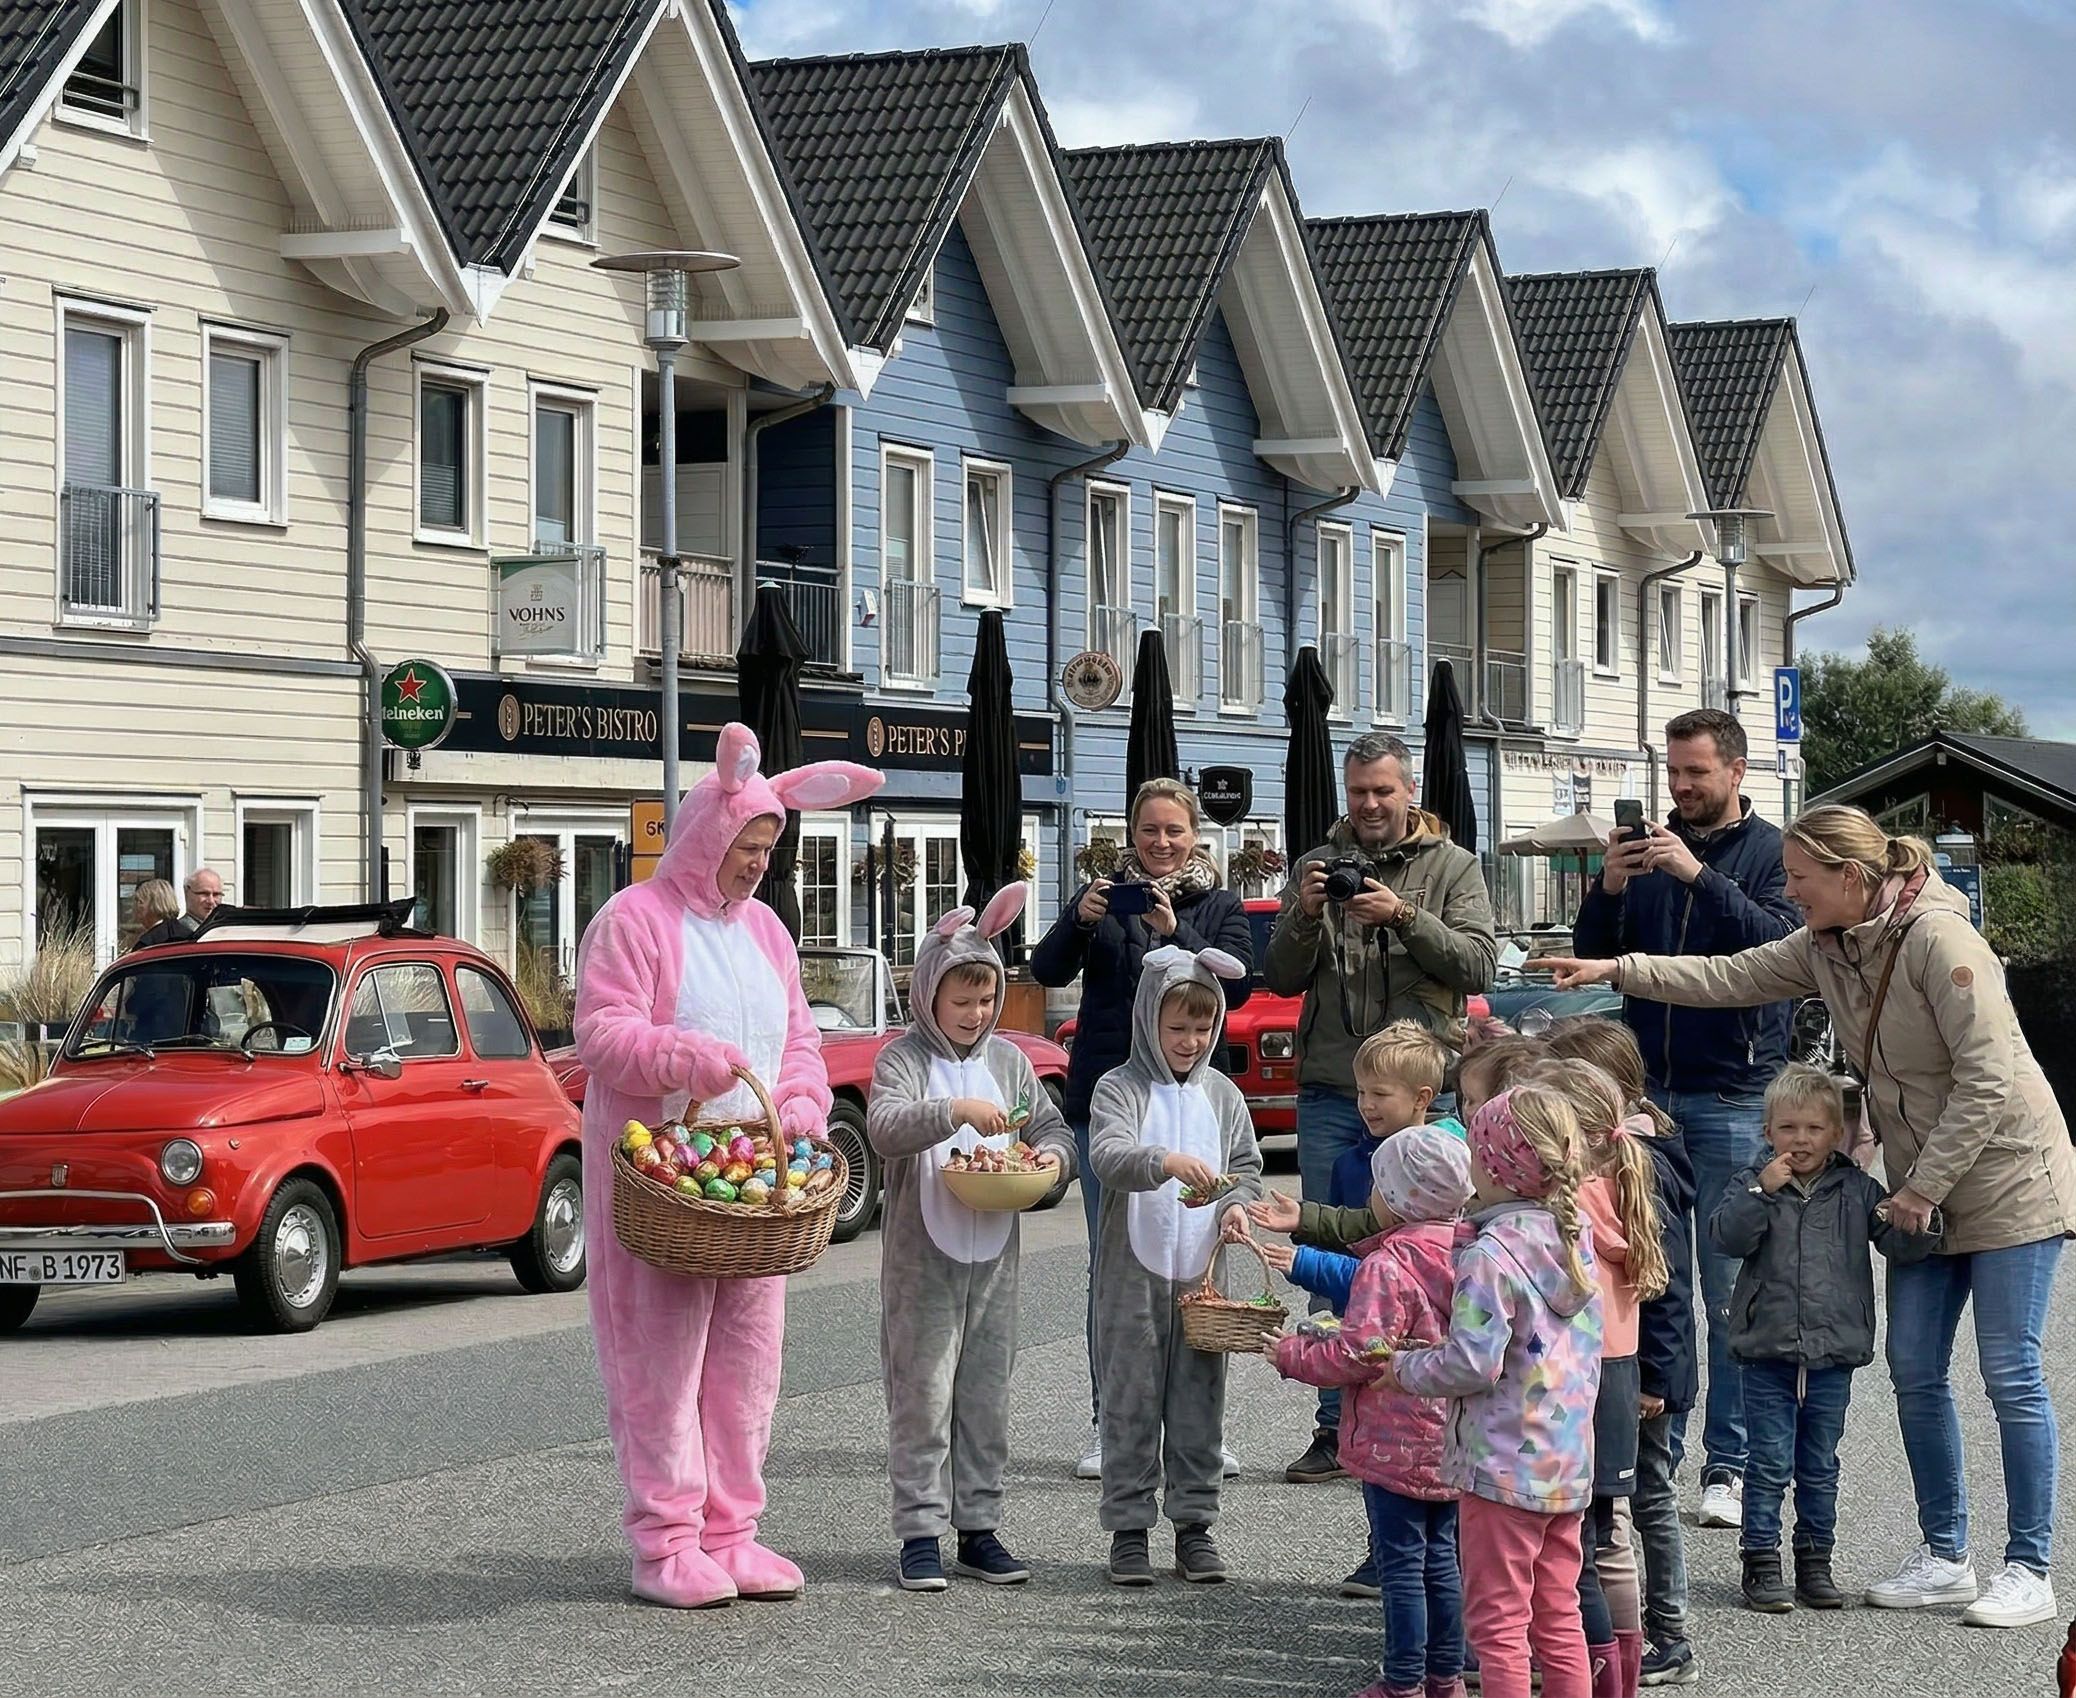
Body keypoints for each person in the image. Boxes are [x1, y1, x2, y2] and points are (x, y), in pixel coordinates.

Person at [1546, 803, 2076, 1629]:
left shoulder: (1941, 942)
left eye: (1798, 878)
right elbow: (1731, 976)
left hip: (2008, 1181)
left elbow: (1990, 1082)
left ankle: (2029, 1566)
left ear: (1851, 878)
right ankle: (1946, 1555)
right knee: (1914, 1371)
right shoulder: (1828, 945)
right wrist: (1616, 970)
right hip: (1921, 1187)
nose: (1787, 893)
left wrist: (1921, 1187)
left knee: (2009, 1375)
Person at [573, 723, 882, 1609]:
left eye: (767, 848)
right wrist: (680, 1058)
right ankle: (665, 1542)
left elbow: (798, 1038)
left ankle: (731, 1530)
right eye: (745, 845)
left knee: (749, 1362)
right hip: (660, 1182)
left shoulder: (768, 933)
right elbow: (600, 1034)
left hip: (754, 1190)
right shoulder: (635, 920)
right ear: (707, 832)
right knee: (658, 1362)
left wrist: (800, 1105)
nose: (755, 863)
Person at [1570, 710, 1799, 1534]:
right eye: (1673, 772)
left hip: (1737, 1091)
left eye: (1696, 773)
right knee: (1649, 1280)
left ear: (1736, 771)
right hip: (1652, 1098)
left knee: (1729, 1289)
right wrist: (1609, 886)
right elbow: (1594, 946)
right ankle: (1652, 1452)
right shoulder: (1652, 848)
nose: (1682, 788)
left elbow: (1780, 947)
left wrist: (1700, 876)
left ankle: (1728, 1466)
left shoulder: (1771, 854)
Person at [1265, 731, 1498, 1483]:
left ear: (1409, 792)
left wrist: (1403, 916)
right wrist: (1303, 913)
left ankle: (1427, 1406)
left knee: (1424, 1249)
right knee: (1341, 1251)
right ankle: (1335, 1425)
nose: (1369, 804)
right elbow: (1278, 975)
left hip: (1425, 1089)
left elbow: (1478, 964)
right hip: (1334, 1084)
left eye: (1382, 791)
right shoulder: (1317, 865)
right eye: (1358, 791)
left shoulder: (1451, 866)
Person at [1032, 778, 1253, 1479]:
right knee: (1114, 1270)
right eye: (1150, 831)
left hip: (1194, 1103)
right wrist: (1080, 918)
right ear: (1134, 834)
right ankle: (1111, 1422)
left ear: (1196, 835)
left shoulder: (1218, 904)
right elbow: (1043, 968)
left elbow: (1242, 984)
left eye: (1175, 831)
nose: (1162, 844)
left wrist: (1175, 933)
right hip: (1115, 1100)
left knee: (1196, 1261)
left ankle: (1198, 1427)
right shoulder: (1104, 897)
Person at [866, 884, 1074, 1593]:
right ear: (929, 996)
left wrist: (1051, 1163)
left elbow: (1049, 1128)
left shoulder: (1011, 1061)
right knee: (921, 1392)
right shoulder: (901, 1059)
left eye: (986, 1001)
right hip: (922, 1261)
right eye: (962, 1002)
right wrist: (950, 1110)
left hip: (994, 1257)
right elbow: (884, 1128)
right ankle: (919, 1530)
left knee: (985, 1393)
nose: (976, 1014)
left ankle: (979, 1527)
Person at [1384, 1084, 1603, 1698]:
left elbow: (1471, 1364)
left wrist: (1401, 1367)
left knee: (1499, 1623)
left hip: (1502, 1466)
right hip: (1567, 1464)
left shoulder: (1491, 1254)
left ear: (1494, 1165)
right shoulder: (1573, 1236)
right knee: (1558, 1614)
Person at [1232, 1020, 1455, 1598]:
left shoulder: (1446, 1167)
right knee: (1383, 1459)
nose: (1365, 1105)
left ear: (1422, 1099)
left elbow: (1375, 1268)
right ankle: (1389, 1561)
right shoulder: (1359, 1162)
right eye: (1360, 1092)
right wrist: (1305, 1232)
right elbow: (1356, 1236)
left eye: (1379, 1094)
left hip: (1417, 1366)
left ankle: (1413, 1649)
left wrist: (1303, 1264)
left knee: (1421, 1491)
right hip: (1378, 1347)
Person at [1708, 1064, 1938, 1614]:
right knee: (1767, 1462)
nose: (1801, 1140)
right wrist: (1761, 1194)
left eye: (1813, 1129)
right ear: (1768, 1133)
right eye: (1788, 1129)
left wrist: (1926, 1225)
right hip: (1767, 1350)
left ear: (1837, 1135)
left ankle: (1816, 1561)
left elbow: (1897, 1245)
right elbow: (1725, 1238)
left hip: (1833, 1352)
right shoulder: (1752, 1182)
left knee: (1820, 1461)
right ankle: (1761, 1561)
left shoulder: (1858, 1191)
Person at [1265, 1128, 1476, 1698]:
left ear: (1402, 1197)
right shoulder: (1470, 1250)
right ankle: (1446, 1677)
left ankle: (1403, 1680)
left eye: (1380, 1186)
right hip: (1456, 1438)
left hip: (1394, 1438)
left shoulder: (1388, 1266)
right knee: (1445, 1563)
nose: (1371, 1196)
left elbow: (1359, 1352)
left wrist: (1290, 1352)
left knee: (1402, 1566)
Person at [1087, 946, 1263, 1586]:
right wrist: (1161, 1161)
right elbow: (1107, 1154)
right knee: (1129, 1402)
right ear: (1148, 1020)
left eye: (1201, 1027)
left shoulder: (1223, 1095)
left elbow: (1246, 1171)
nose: (1190, 1041)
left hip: (1202, 1278)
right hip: (1132, 1277)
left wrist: (1237, 1208)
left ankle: (1194, 1526)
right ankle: (1129, 1530)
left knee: (1198, 1402)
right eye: (1176, 1026)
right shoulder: (1120, 1086)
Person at [1545, 1020, 1698, 1689]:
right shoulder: (1630, 1160)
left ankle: (1668, 1635)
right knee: (1619, 1517)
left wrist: (1657, 1378)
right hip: (1630, 1365)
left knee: (1643, 1508)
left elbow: (1668, 1288)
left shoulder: (1637, 1171)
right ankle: (1635, 1649)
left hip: (1638, 1370)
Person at [132, 879, 186, 948]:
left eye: (140, 902)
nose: (136, 906)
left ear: (155, 905)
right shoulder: (184, 933)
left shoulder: (150, 943)